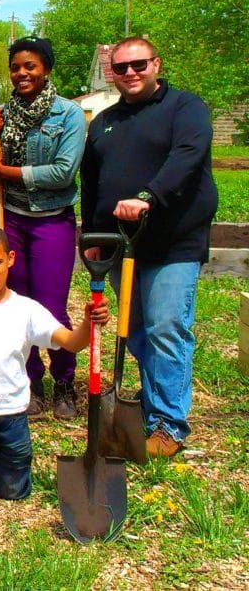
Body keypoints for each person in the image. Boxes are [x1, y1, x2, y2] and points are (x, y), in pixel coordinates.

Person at [80, 37, 217, 459]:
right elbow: (92, 182)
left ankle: (169, 425)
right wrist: (92, 235)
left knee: (166, 329)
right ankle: (147, 408)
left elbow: (188, 156)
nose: (130, 73)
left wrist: (149, 195)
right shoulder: (104, 122)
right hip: (122, 244)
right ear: (111, 73)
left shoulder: (184, 108)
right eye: (120, 68)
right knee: (136, 332)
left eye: (138, 64)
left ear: (156, 63)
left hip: (172, 241)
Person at [0, 225, 106, 500]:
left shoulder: (27, 310)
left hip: (10, 420)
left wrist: (88, 322)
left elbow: (72, 342)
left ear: (10, 259)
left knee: (14, 493)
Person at [0, 36, 85, 419]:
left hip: (51, 219)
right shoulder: (3, 115)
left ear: (46, 70)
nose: (21, 74)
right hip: (10, 219)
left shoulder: (68, 115)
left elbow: (63, 171)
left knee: (51, 305)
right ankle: (31, 381)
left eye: (30, 66)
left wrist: (8, 171)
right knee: (16, 303)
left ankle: (65, 382)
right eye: (16, 67)